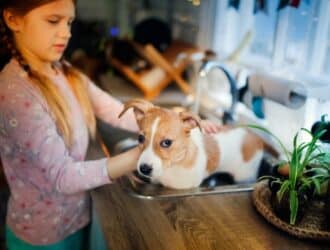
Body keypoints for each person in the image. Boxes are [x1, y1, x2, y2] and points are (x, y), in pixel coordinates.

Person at [0, 0, 221, 249]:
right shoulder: (15, 93)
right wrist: (148, 151)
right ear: (13, 20)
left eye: (69, 22)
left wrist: (165, 122)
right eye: (53, 21)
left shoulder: (64, 71)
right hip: (41, 234)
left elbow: (116, 112)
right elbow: (63, 176)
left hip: (77, 216)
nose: (66, 32)